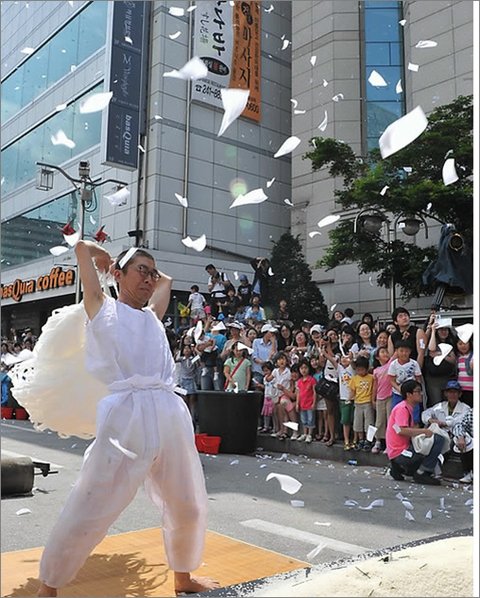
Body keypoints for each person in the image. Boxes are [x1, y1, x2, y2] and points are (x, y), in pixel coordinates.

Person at [36, 241, 219, 596]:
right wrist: (101, 256)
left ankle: (183, 578)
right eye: (141, 271)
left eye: (152, 273)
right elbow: (81, 251)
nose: (150, 279)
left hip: (169, 413)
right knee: (91, 504)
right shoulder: (101, 309)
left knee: (187, 502)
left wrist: (140, 264)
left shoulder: (152, 316)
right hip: (126, 415)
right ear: (118, 275)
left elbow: (167, 281)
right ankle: (49, 586)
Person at [386, 379, 445, 485]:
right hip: (400, 452)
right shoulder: (402, 409)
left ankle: (398, 468)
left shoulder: (408, 408)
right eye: (417, 391)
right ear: (408, 394)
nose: (421, 394)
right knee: (438, 440)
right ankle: (421, 472)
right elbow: (401, 430)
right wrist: (424, 431)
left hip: (401, 450)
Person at [423, 314, 457, 407]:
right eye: (441, 330)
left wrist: (442, 355)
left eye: (446, 329)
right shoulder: (431, 340)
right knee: (436, 403)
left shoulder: (451, 342)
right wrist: (433, 331)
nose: (444, 332)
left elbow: (453, 360)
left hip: (447, 377)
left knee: (448, 404)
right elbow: (432, 348)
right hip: (433, 379)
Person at [388, 340, 423, 422]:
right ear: (396, 351)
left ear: (410, 351)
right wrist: (399, 389)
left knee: (414, 415)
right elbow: (392, 380)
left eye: (406, 351)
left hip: (412, 394)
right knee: (397, 413)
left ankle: (414, 428)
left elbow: (418, 379)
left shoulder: (414, 364)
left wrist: (416, 391)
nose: (404, 353)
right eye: (401, 351)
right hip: (398, 394)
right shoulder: (393, 364)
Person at [348, 356, 375, 451]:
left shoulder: (371, 378)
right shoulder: (354, 379)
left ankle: (369, 440)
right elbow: (352, 391)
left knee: (369, 422)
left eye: (362, 370)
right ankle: (361, 440)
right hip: (358, 403)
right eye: (358, 370)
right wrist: (349, 399)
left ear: (367, 369)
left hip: (368, 402)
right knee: (358, 423)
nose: (360, 372)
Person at [371, 347, 393, 454]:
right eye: (383, 352)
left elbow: (395, 353)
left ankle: (389, 443)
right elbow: (375, 386)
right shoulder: (376, 371)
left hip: (390, 397)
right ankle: (378, 441)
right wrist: (373, 399)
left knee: (390, 420)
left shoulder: (391, 364)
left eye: (386, 351)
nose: (386, 354)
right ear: (377, 357)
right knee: (379, 421)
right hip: (380, 398)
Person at [295, 359, 317, 443]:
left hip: (310, 403)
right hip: (302, 404)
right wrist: (297, 403)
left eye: (305, 368)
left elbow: (314, 392)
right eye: (301, 368)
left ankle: (310, 434)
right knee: (303, 419)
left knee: (310, 419)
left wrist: (314, 403)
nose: (303, 370)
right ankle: (304, 433)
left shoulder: (312, 380)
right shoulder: (299, 381)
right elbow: (298, 393)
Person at [452, 408, 474, 484]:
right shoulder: (473, 412)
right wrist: (461, 436)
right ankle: (470, 473)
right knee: (461, 440)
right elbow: (459, 425)